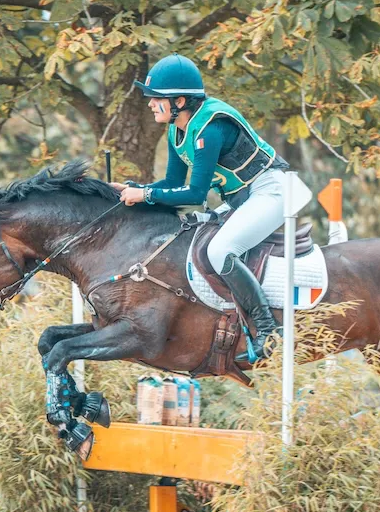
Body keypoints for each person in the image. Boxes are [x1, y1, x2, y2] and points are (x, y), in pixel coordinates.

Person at [112, 55, 313, 359]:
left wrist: (145, 197)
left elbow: (194, 193)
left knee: (219, 251)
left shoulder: (209, 129)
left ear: (179, 100)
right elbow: (171, 181)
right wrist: (137, 189)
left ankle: (268, 330)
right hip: (242, 199)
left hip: (271, 191)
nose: (150, 103)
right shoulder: (177, 130)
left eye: (156, 99)